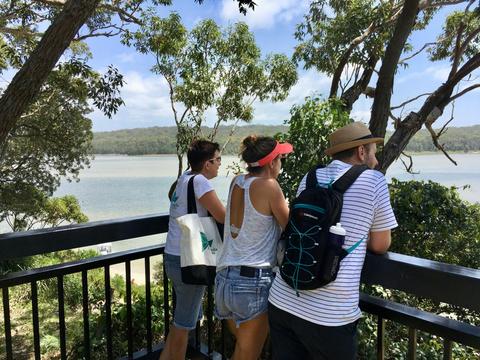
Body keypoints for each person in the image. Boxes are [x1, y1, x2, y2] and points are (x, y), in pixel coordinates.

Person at [268, 122, 398, 360]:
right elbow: (381, 244)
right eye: (373, 152)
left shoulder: (310, 178)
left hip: (283, 299)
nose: (376, 161)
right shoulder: (374, 181)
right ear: (361, 152)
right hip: (330, 314)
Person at [214, 135, 292, 360]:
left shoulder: (237, 181)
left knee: (242, 351)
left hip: (225, 280)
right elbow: (290, 227)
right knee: (248, 355)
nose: (281, 165)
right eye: (280, 159)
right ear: (271, 162)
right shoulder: (270, 186)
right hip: (251, 283)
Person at [161, 139, 226, 360]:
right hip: (190, 259)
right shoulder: (200, 182)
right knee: (183, 325)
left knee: (180, 319)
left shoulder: (184, 178)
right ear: (207, 163)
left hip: (173, 256)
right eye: (217, 159)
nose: (219, 164)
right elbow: (222, 216)